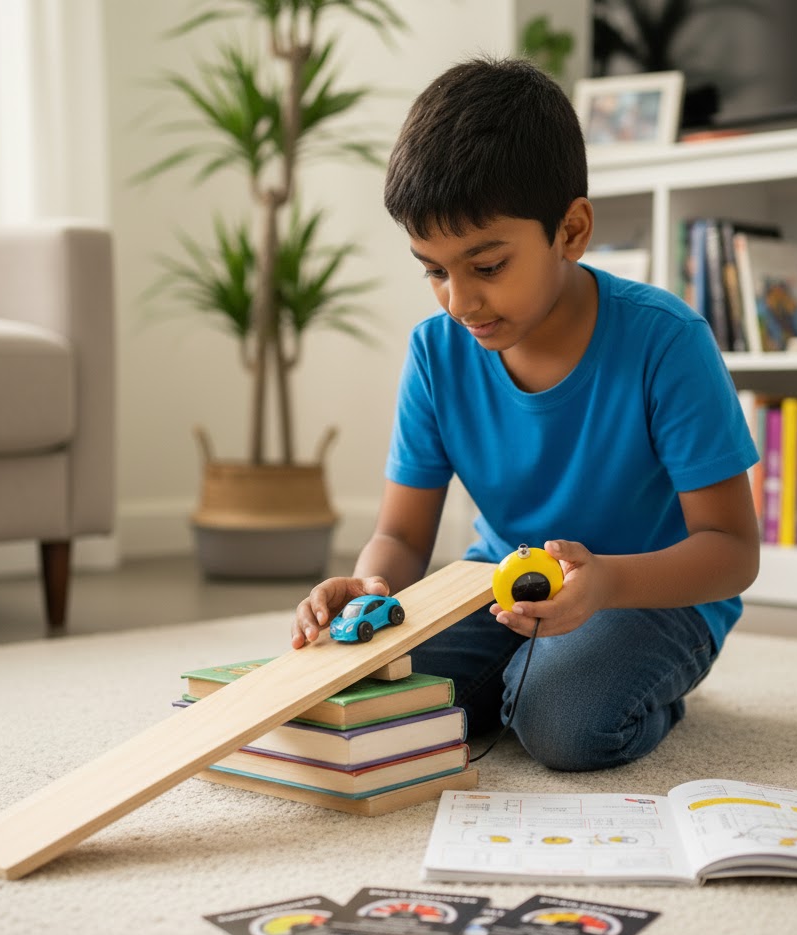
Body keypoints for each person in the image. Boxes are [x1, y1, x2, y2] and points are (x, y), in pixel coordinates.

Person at [290, 56, 760, 772]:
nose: (458, 302)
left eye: (485, 267)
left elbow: (732, 551)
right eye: (433, 270)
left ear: (570, 232)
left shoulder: (666, 341)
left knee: (561, 725)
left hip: (650, 597)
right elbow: (399, 533)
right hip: (500, 587)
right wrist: (372, 588)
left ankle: (627, 687)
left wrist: (605, 583)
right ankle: (526, 675)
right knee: (370, 696)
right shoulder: (435, 353)